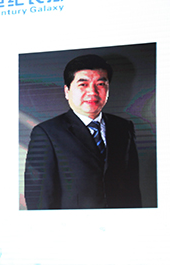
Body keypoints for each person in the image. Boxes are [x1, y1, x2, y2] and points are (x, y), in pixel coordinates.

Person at [24, 54, 142, 210]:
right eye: (83, 84)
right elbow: (39, 199)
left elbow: (132, 188)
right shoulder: (47, 133)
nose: (92, 92)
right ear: (67, 91)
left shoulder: (123, 128)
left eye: (100, 84)